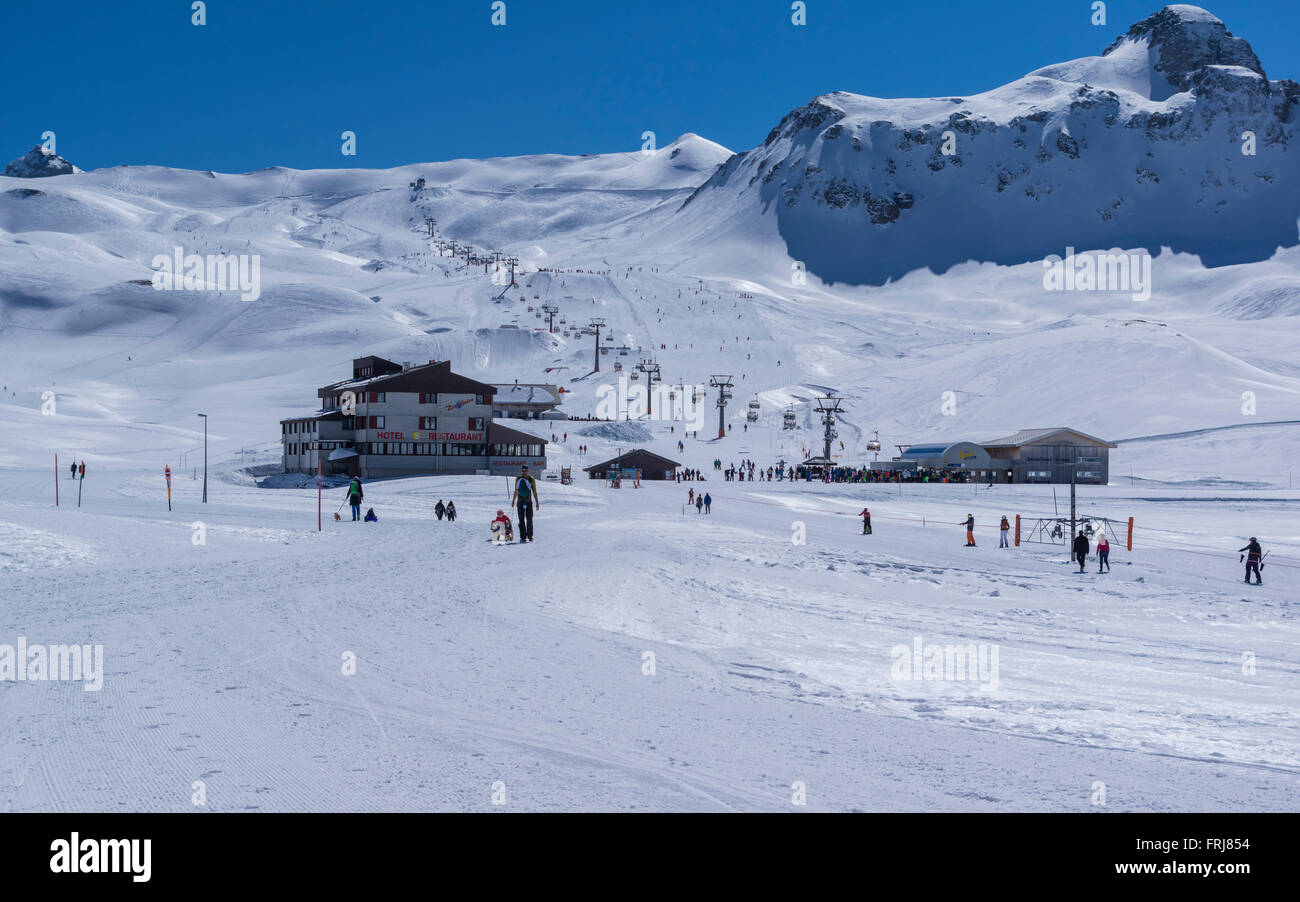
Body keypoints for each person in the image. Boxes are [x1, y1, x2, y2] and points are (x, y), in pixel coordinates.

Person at [511, 465, 540, 543]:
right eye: (523, 471)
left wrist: (537, 502)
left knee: (529, 519)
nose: (524, 472)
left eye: (525, 470)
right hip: (520, 501)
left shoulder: (531, 479)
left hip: (528, 501)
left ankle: (530, 536)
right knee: (521, 520)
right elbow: (516, 491)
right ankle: (523, 537)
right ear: (522, 471)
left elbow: (534, 492)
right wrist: (513, 501)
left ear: (528, 471)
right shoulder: (518, 479)